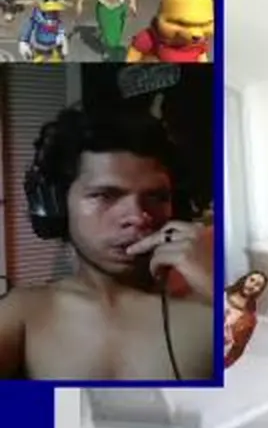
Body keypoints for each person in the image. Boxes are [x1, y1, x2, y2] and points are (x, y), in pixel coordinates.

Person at [0, 107, 216, 380]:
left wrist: (217, 291)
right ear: (58, 206)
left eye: (157, 197)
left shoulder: (210, 307)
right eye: (105, 195)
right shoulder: (24, 311)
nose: (138, 217)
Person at [224, 271, 268, 368]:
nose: (252, 286)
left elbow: (237, 350)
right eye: (252, 280)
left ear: (260, 290)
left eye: (258, 285)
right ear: (245, 279)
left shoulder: (249, 320)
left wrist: (221, 365)